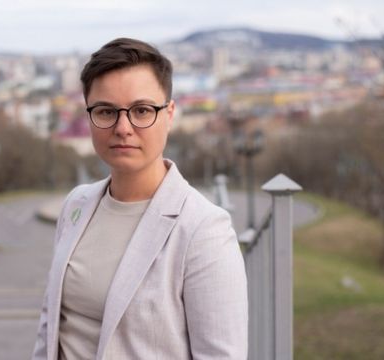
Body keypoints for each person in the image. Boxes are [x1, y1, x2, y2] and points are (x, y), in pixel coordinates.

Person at [32, 38, 247, 360]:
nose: (123, 127)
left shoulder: (203, 230)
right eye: (106, 111)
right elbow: (51, 327)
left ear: (169, 114)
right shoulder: (76, 205)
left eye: (142, 110)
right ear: (89, 115)